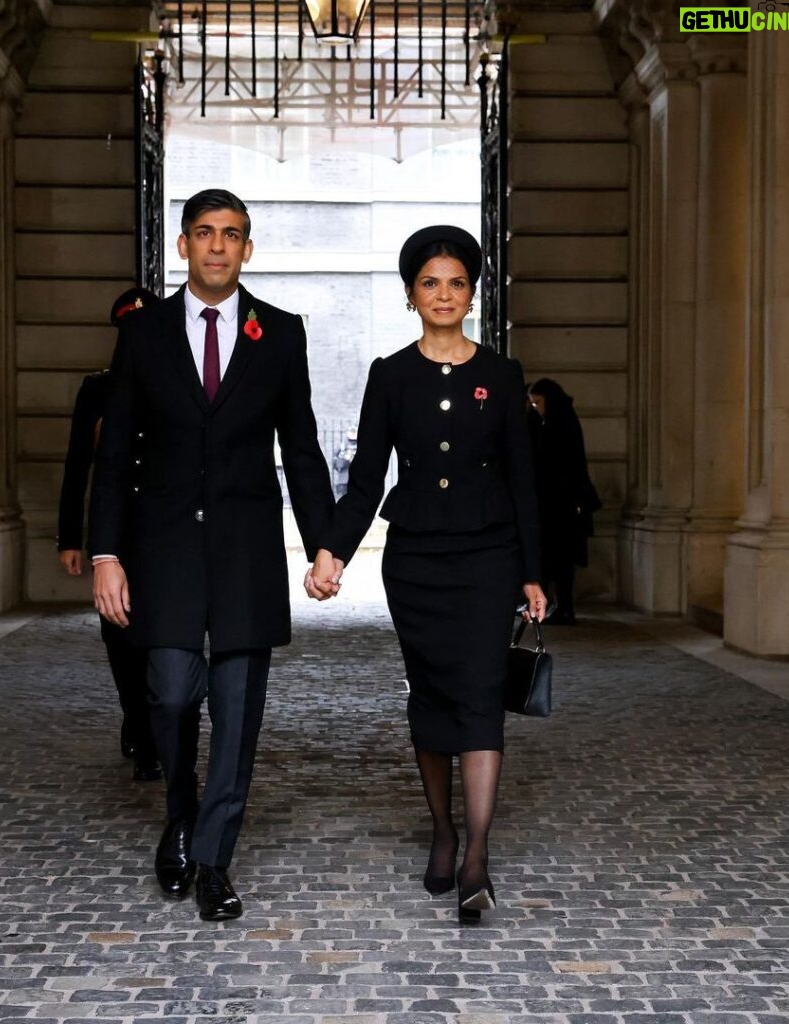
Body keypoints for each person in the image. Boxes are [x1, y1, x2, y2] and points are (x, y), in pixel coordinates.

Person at [88, 189, 334, 922]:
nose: (218, 246)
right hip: (160, 549)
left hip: (245, 551)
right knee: (168, 691)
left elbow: (301, 445)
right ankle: (183, 811)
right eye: (205, 233)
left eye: (232, 235)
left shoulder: (280, 334)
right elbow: (116, 452)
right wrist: (105, 552)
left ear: (247, 249)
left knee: (237, 712)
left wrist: (325, 542)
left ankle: (214, 860)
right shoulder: (144, 334)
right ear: (184, 246)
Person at [307, 225, 548, 925]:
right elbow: (364, 482)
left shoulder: (501, 376)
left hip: (488, 559)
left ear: (472, 293)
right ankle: (442, 830)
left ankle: (476, 854)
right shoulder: (391, 374)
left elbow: (524, 483)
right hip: (415, 564)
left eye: (457, 283)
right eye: (430, 283)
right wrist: (332, 550)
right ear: (412, 294)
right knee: (433, 695)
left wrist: (533, 573)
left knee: (479, 694)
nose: (444, 295)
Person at [57, 286, 162, 783]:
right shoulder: (97, 389)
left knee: (162, 636)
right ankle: (139, 727)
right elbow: (78, 465)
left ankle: (158, 728)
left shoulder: (171, 381)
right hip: (115, 530)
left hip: (164, 528)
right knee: (120, 638)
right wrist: (69, 539)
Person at [526, 378, 602, 625]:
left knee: (560, 562)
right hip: (554, 505)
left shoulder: (561, 422)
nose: (535, 407)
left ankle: (563, 606)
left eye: (537, 402)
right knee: (554, 560)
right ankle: (556, 605)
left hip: (561, 506)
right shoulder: (551, 421)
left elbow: (565, 465)